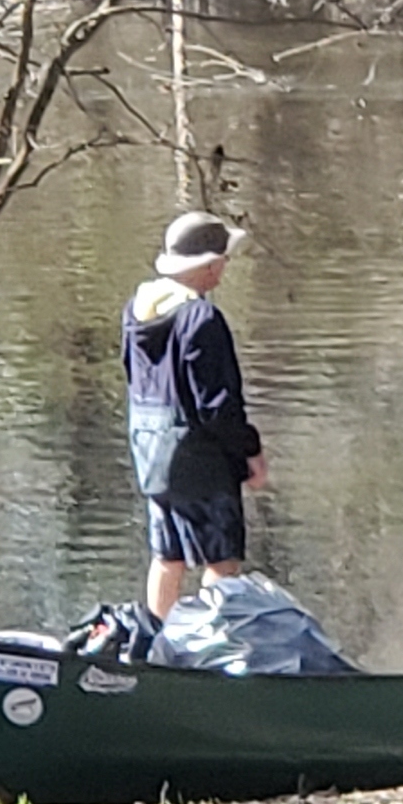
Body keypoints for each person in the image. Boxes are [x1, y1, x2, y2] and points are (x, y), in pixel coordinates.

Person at [124, 210, 266, 617]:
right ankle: (213, 645)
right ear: (206, 266)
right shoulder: (202, 318)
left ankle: (155, 646)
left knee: (167, 555)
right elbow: (218, 404)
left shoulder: (136, 310)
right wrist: (249, 452)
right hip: (200, 459)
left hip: (151, 454)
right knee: (221, 561)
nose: (224, 268)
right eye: (222, 259)